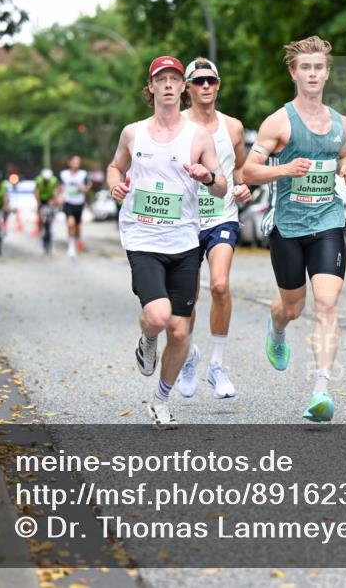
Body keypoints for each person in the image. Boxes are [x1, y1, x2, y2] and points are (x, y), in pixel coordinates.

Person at [242, 35, 346, 423]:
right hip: (288, 226)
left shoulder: (342, 123)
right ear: (294, 72)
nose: (312, 73)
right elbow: (249, 171)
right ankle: (276, 330)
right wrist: (285, 169)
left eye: (318, 68)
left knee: (327, 304)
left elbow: (343, 153)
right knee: (292, 308)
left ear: (327, 73)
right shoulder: (278, 122)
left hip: (328, 221)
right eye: (305, 67)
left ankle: (321, 391)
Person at [107, 55, 227, 429]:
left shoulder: (199, 136)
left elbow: (222, 188)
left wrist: (207, 176)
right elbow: (116, 166)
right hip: (143, 238)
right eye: (163, 79)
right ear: (153, 87)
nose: (171, 85)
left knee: (180, 331)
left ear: (182, 87)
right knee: (158, 318)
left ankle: (160, 400)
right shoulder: (134, 133)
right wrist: (115, 183)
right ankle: (147, 339)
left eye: (176, 78)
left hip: (184, 241)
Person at [175, 58, 251, 400]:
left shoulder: (233, 127)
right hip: (185, 222)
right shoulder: (175, 126)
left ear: (218, 85)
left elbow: (243, 170)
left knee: (220, 285)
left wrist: (245, 187)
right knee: (186, 300)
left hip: (222, 215)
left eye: (211, 81)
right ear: (187, 88)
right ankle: (189, 356)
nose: (205, 86)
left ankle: (217, 366)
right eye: (198, 81)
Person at [60, 155, 92, 258]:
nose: (76, 164)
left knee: (77, 226)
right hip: (68, 202)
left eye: (78, 162)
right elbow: (58, 186)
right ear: (69, 163)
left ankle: (77, 240)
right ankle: (71, 247)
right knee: (70, 223)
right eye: (74, 161)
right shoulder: (63, 174)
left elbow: (89, 186)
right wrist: (58, 196)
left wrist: (84, 189)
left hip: (79, 203)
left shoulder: (83, 174)